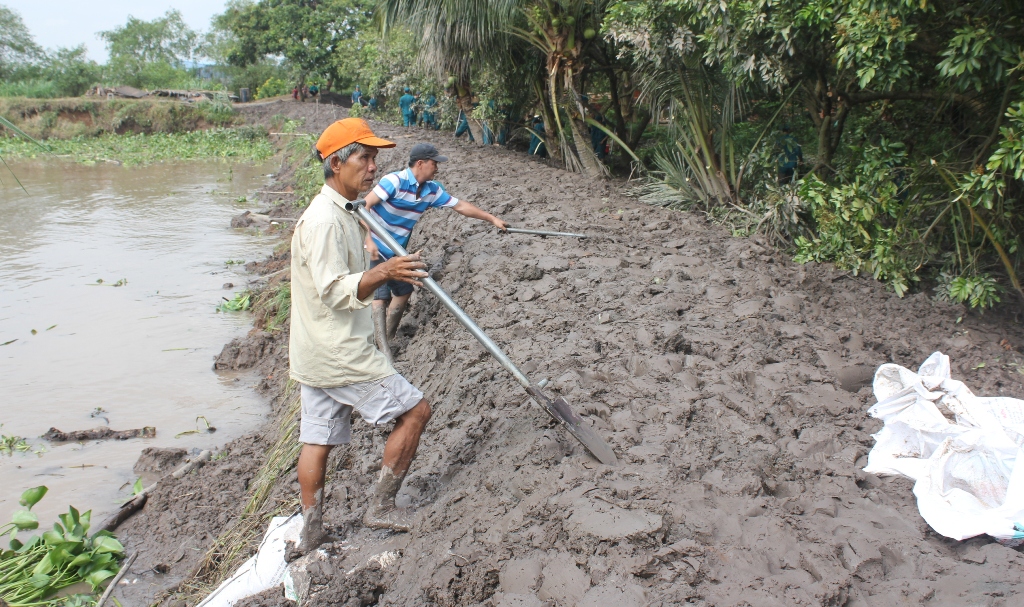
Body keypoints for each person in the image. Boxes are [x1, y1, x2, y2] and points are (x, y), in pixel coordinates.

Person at [290, 118, 433, 551]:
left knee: (318, 438)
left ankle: (310, 533)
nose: (373, 167)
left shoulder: (343, 210)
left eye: (375, 158)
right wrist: (384, 271)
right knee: (416, 411)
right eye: (364, 158)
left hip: (316, 349)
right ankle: (382, 508)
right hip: (339, 350)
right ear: (336, 163)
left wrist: (380, 256)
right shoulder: (325, 223)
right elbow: (334, 290)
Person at [362, 143, 509, 358]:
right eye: (434, 163)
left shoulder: (432, 191)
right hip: (374, 246)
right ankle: (383, 352)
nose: (437, 168)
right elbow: (364, 205)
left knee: (404, 292)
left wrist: (492, 218)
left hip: (396, 250)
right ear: (420, 163)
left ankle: (387, 338)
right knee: (379, 297)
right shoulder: (394, 181)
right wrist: (369, 239)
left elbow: (460, 206)